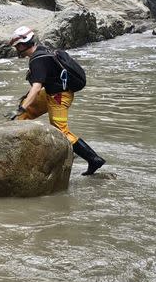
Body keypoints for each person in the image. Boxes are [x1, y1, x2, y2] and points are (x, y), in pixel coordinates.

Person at [6, 26, 106, 175]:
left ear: (22, 45)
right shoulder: (43, 51)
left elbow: (36, 87)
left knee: (61, 131)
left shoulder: (37, 61)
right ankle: (18, 150)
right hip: (51, 92)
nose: (16, 50)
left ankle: (93, 159)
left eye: (16, 47)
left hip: (59, 97)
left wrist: (22, 107)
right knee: (22, 115)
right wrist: (24, 106)